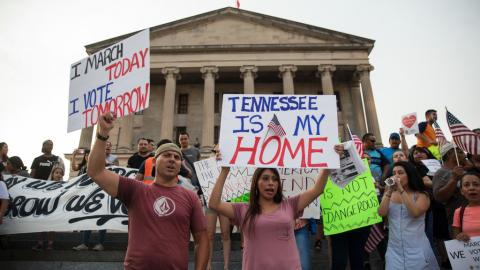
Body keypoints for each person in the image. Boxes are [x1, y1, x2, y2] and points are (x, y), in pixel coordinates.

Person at [87, 112, 208, 269]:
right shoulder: (135, 189)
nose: (172, 159)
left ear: (180, 165)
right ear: (154, 161)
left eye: (177, 157)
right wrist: (103, 134)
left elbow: (202, 238)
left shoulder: (190, 197)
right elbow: (96, 172)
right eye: (166, 155)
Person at [208, 145, 343, 269]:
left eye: (274, 179)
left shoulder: (290, 205)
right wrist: (225, 170)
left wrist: (329, 162)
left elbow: (318, 189)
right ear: (256, 183)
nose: (271, 183)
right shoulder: (243, 209)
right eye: (265, 179)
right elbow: (214, 203)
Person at [378, 161, 439, 269]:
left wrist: (401, 189)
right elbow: (381, 213)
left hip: (418, 251)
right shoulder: (390, 194)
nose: (396, 176)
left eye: (400, 173)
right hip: (394, 251)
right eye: (394, 173)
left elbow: (415, 213)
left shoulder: (422, 195)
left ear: (410, 175)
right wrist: (388, 192)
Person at [71, 148, 107, 251]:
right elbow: (74, 167)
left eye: (90, 155)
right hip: (85, 196)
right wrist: (74, 156)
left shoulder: (98, 166)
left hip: (98, 196)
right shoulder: (82, 167)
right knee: (87, 217)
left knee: (102, 218)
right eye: (86, 155)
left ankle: (100, 243)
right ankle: (84, 243)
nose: (88, 156)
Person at [32, 165, 64, 251]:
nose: (58, 175)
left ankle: (50, 243)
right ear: (52, 174)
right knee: (42, 226)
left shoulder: (64, 186)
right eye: (56, 172)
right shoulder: (46, 185)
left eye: (61, 173)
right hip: (45, 208)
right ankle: (40, 243)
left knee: (52, 227)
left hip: (56, 209)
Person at [452, 170, 480, 241]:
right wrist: (460, 237)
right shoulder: (459, 212)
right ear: (461, 191)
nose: (471, 188)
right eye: (466, 185)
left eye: (476, 184)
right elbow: (456, 238)